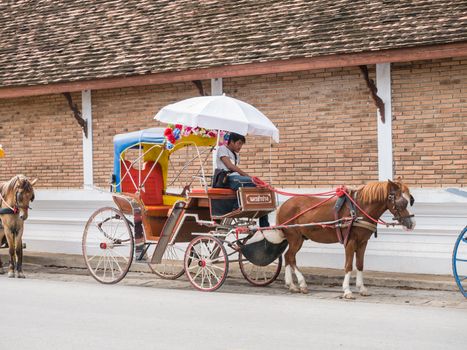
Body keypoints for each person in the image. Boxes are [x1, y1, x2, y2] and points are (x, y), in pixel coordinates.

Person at [216, 133, 270, 227]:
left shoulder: (236, 154)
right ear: (232, 142)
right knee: (252, 181)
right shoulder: (222, 149)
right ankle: (235, 207)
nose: (240, 146)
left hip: (236, 178)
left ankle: (264, 225)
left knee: (262, 187)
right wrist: (247, 176)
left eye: (242, 144)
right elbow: (230, 166)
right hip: (227, 178)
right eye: (239, 143)